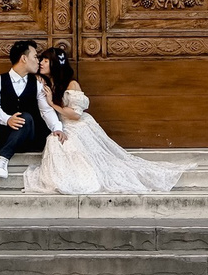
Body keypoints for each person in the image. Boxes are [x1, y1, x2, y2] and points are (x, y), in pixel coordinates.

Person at [23, 42, 191, 195]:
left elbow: (76, 114)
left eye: (45, 60)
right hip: (63, 124)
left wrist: (52, 103)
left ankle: (84, 176)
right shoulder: (46, 82)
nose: (41, 63)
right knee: (54, 141)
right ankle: (64, 177)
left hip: (77, 124)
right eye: (41, 60)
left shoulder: (71, 84)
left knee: (66, 143)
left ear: (54, 63)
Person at [0, 38, 65, 191]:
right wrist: (7, 119)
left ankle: (3, 157)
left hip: (27, 137)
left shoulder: (37, 83)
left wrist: (57, 127)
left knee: (26, 117)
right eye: (35, 56)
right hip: (3, 132)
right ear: (24, 58)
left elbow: (46, 110)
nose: (38, 61)